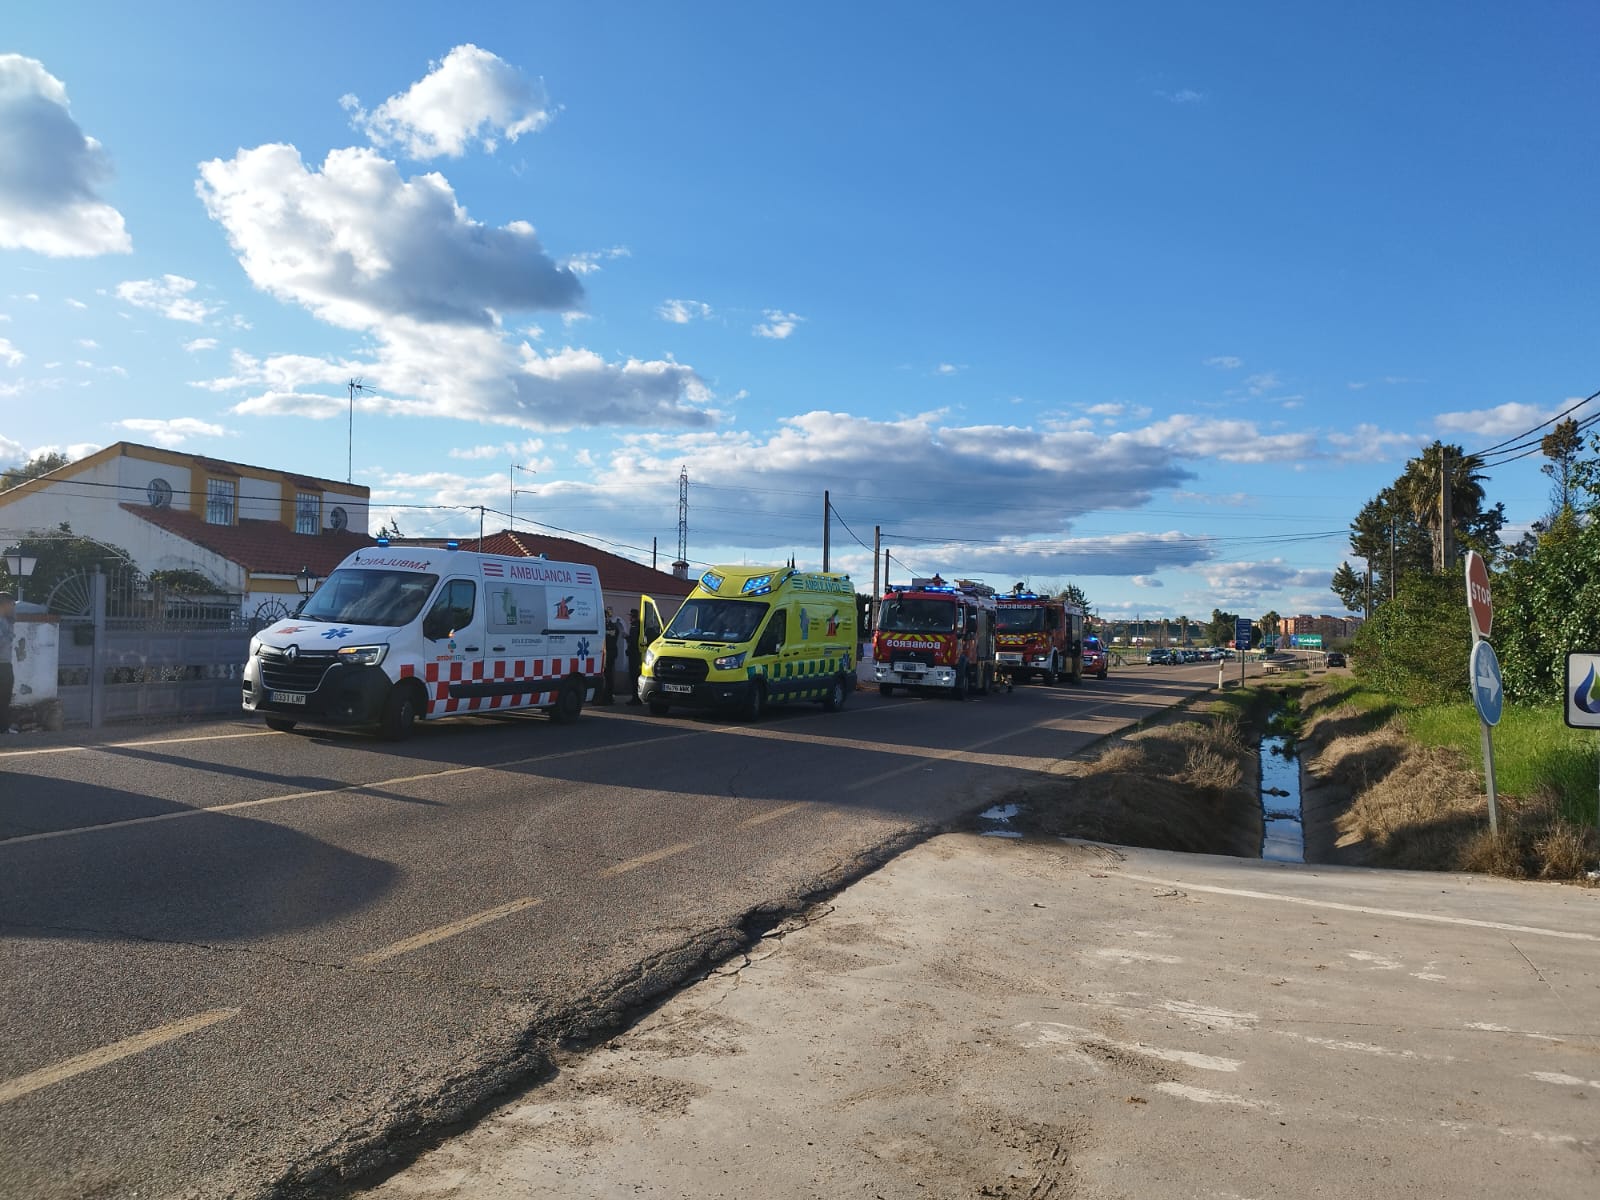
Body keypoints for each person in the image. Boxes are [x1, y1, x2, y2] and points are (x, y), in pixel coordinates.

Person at [0, 592, 15, 734]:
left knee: (5, 697)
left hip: (5, 664)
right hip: (1, 665)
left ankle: (3, 727)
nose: (13, 607)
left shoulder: (7, 620)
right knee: (3, 697)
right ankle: (3, 728)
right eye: (11, 604)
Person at [597, 608, 619, 704]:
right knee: (605, 675)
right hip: (605, 653)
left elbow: (611, 640)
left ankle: (608, 697)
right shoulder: (604, 627)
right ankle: (604, 697)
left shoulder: (612, 627)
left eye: (604, 617)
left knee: (608, 676)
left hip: (609, 653)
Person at [625, 611, 644, 704]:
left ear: (633, 617)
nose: (629, 618)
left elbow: (633, 641)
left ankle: (635, 698)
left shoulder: (634, 627)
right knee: (635, 677)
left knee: (633, 677)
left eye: (630, 616)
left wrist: (626, 637)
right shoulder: (639, 626)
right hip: (636, 655)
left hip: (633, 656)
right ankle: (636, 698)